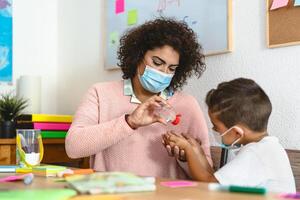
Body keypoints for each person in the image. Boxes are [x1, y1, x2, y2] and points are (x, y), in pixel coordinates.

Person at [65, 18, 212, 179]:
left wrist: (186, 159)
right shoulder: (100, 93)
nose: (163, 72)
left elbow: (207, 174)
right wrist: (129, 122)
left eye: (171, 68)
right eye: (157, 62)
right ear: (138, 55)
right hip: (113, 194)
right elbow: (73, 147)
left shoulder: (187, 105)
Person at [163, 78, 296, 193]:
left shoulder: (255, 154)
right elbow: (216, 178)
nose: (214, 130)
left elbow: (211, 185)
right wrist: (198, 153)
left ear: (237, 132)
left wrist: (188, 149)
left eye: (216, 127)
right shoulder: (267, 148)